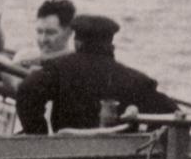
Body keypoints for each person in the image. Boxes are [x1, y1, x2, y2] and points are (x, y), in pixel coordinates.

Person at [15, 14, 178, 134]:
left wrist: (38, 137)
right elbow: (171, 112)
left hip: (65, 152)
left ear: (77, 42)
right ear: (110, 43)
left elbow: (26, 90)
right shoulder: (136, 80)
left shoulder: (59, 69)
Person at [13, 0, 76, 66]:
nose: (43, 39)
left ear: (69, 32)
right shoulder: (24, 56)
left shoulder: (76, 65)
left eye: (50, 33)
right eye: (39, 32)